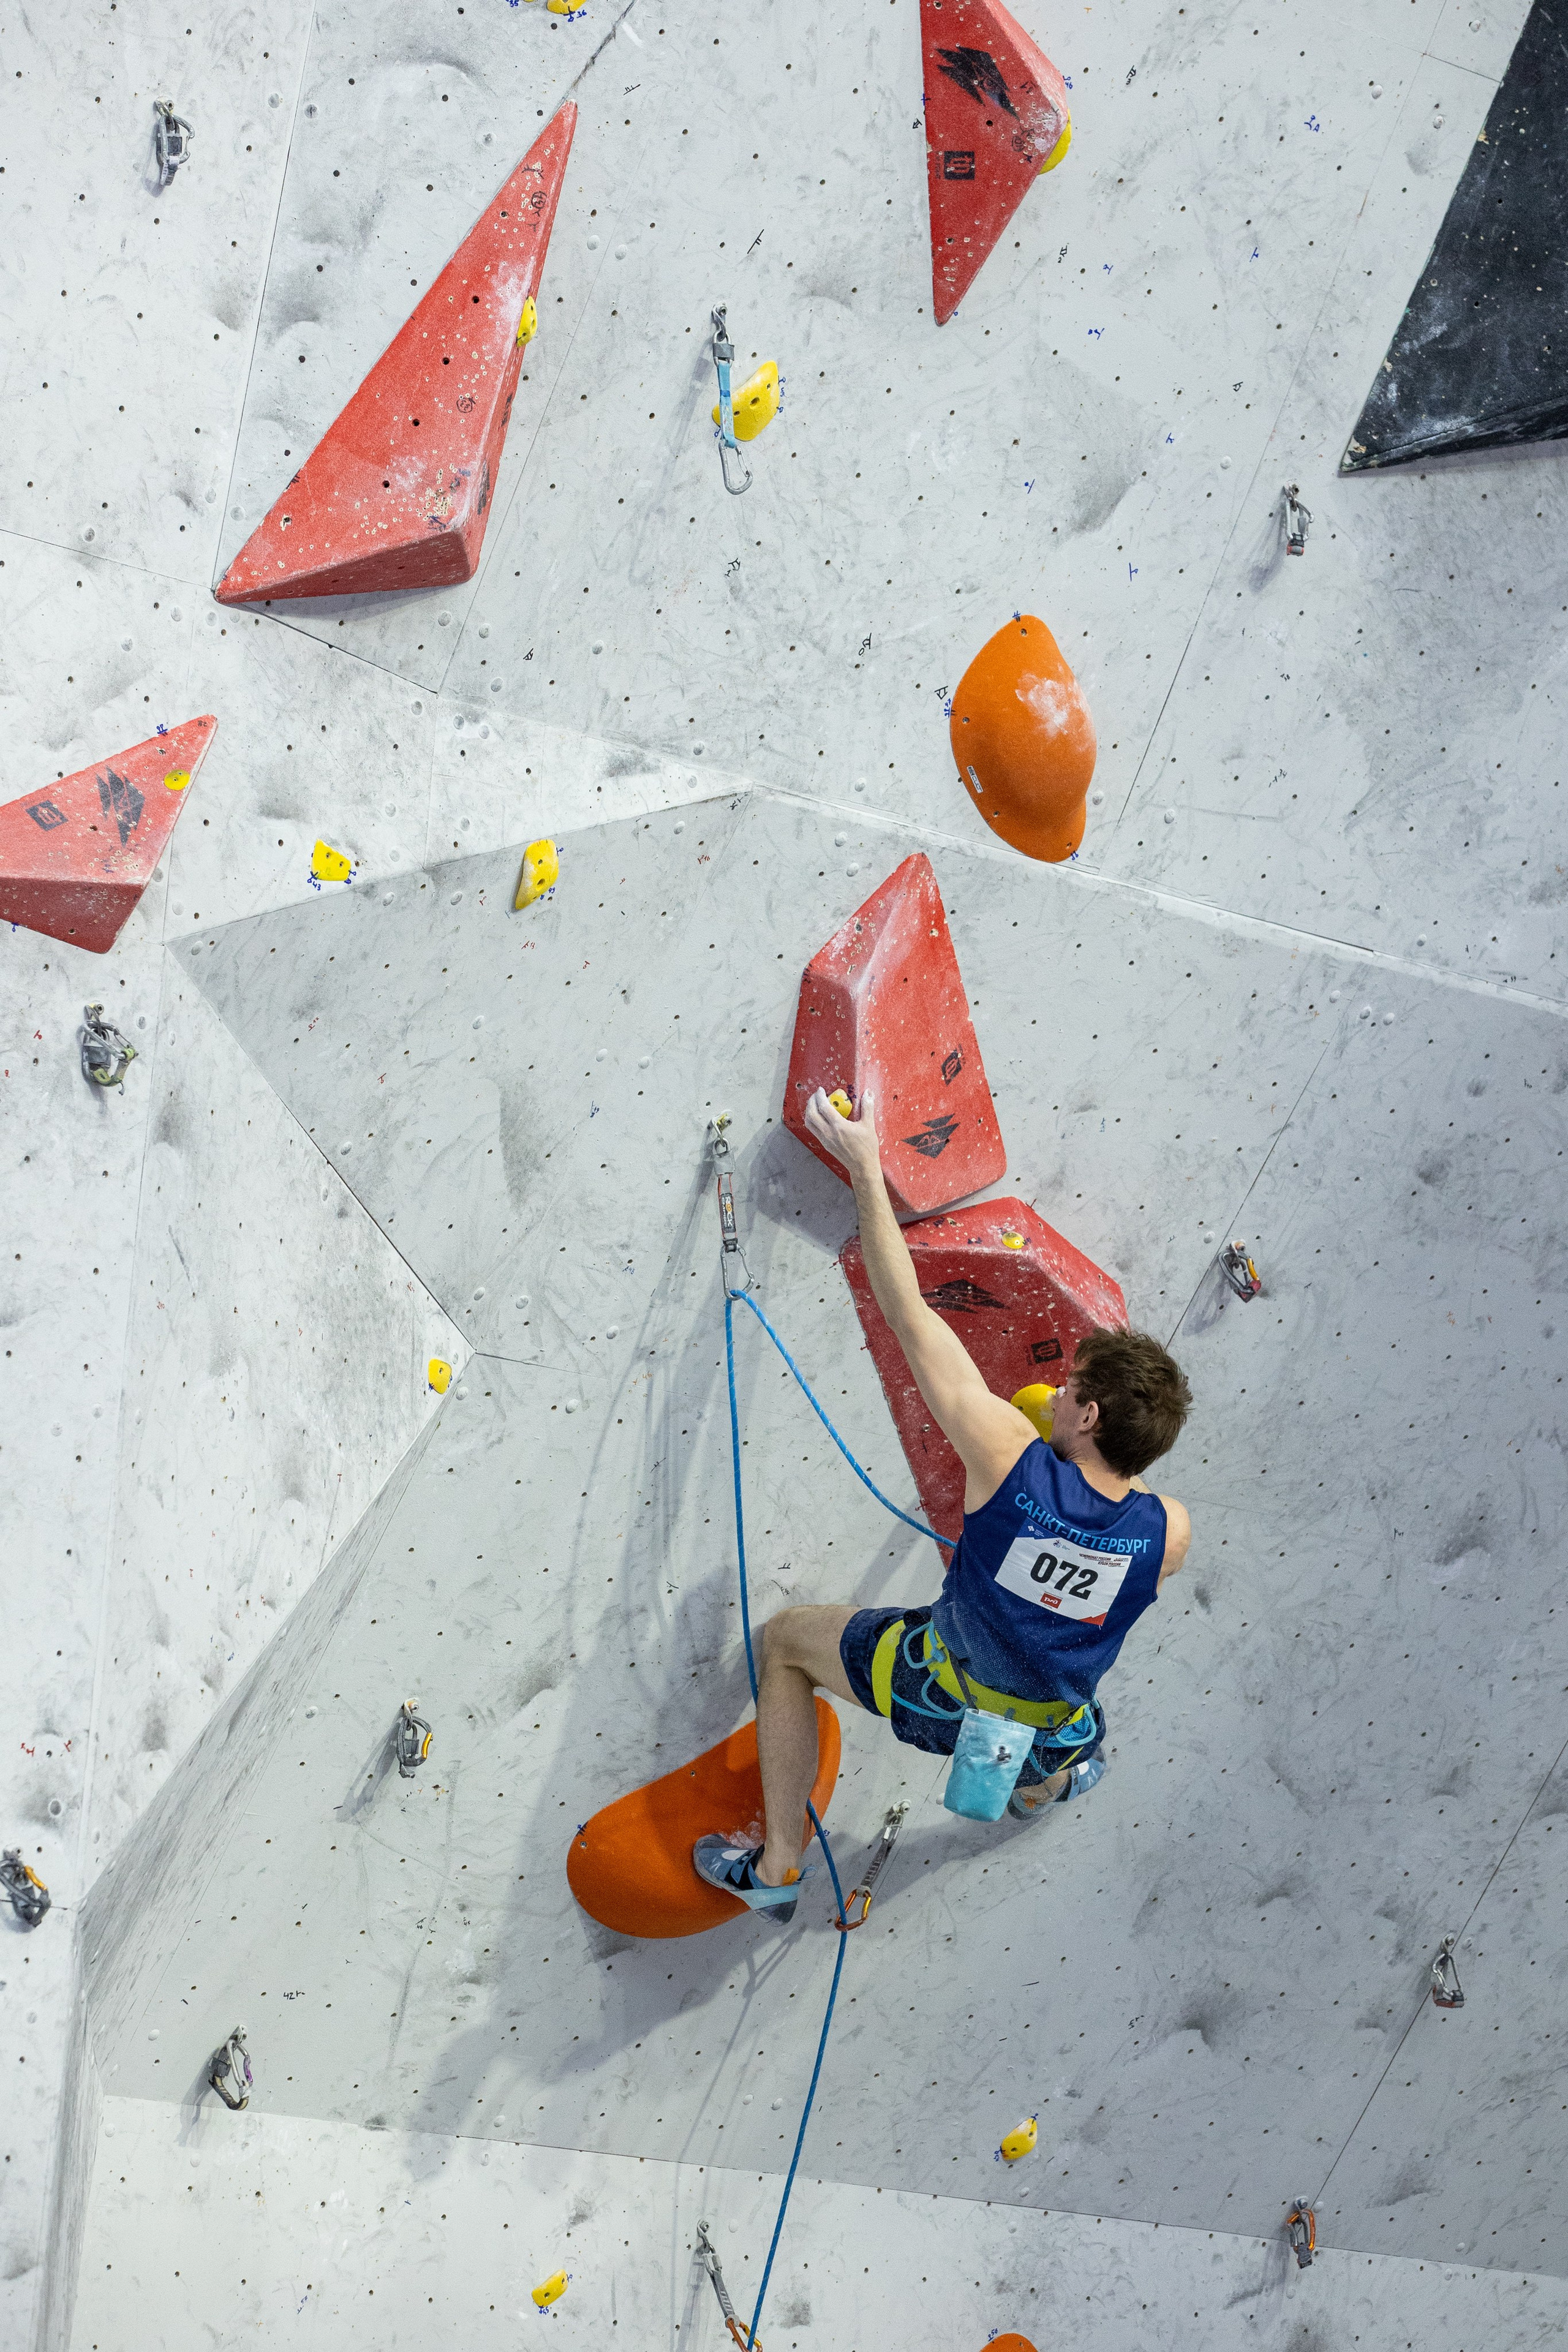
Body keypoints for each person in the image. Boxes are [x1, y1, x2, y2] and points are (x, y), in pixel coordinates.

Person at [694, 1086, 1193, 1913]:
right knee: (1053, 1732)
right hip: (1052, 1725)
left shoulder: (1008, 1459)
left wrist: (864, 1165)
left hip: (942, 1695)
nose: (1056, 1394)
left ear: (1093, 1415)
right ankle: (1048, 1788)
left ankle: (778, 1861)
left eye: (1069, 1391)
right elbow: (1093, 1544)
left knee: (785, 1646)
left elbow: (908, 1313)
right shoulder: (1169, 1531)